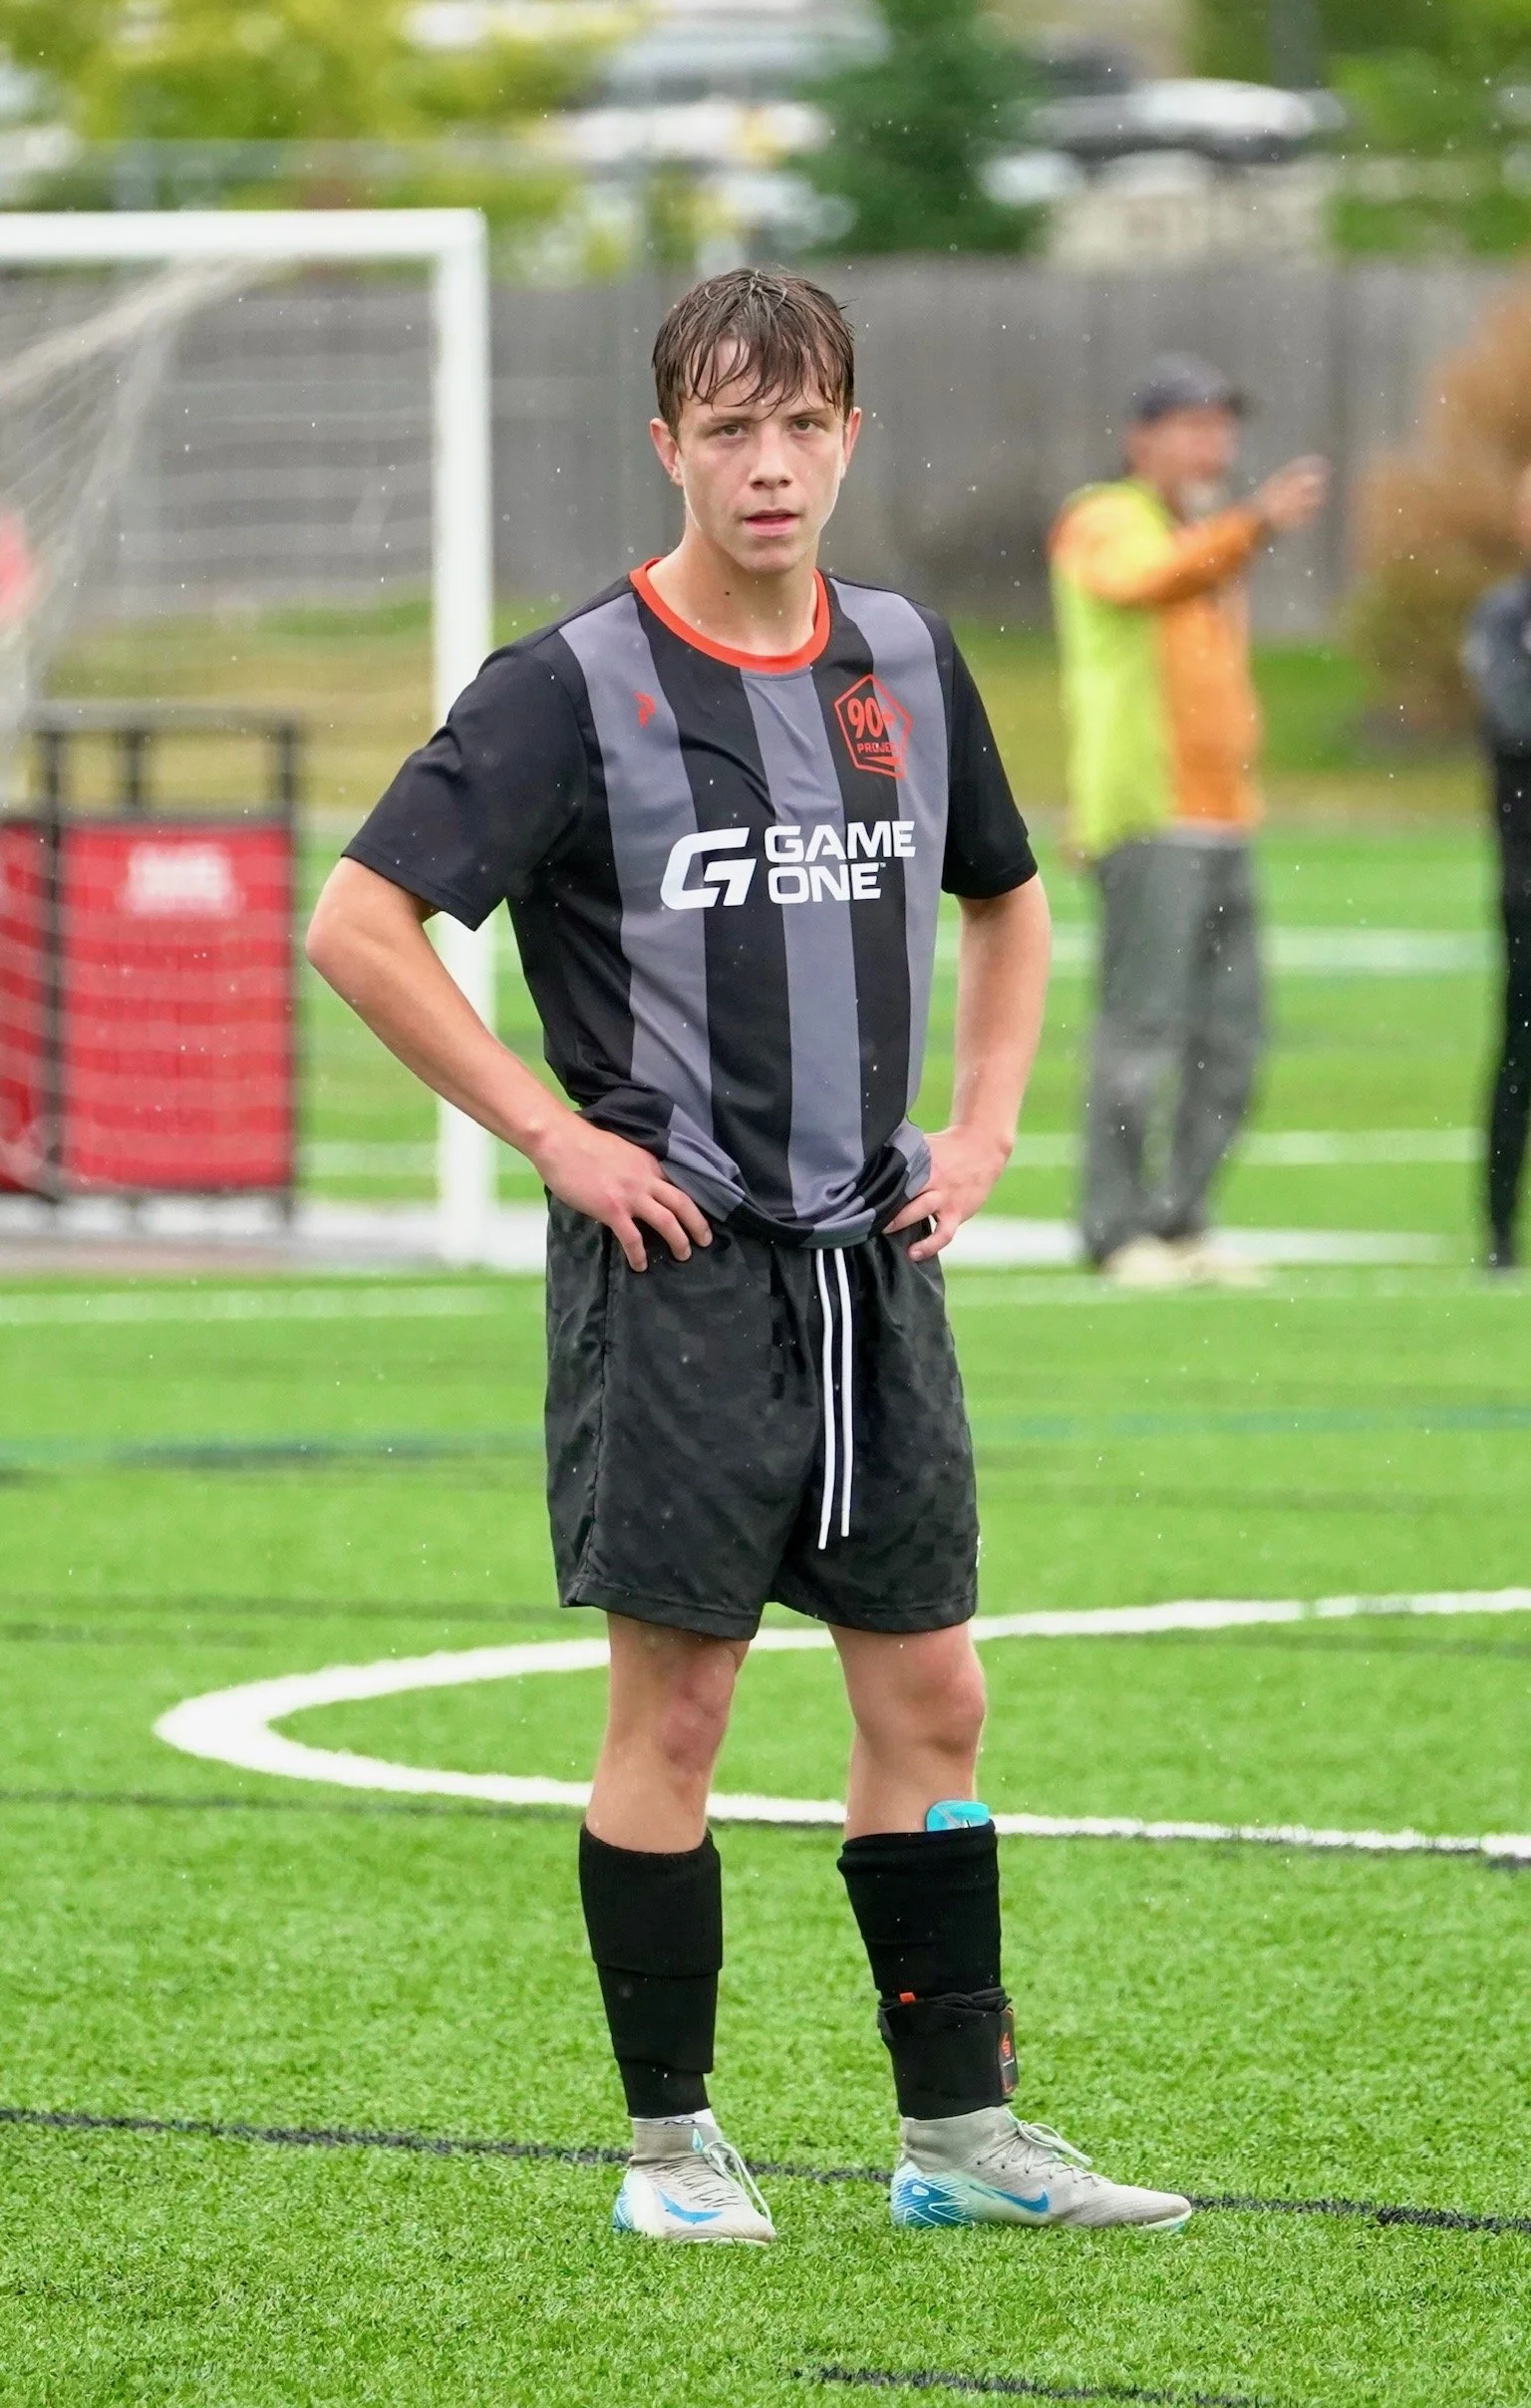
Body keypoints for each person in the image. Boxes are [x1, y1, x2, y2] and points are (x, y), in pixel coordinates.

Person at [307, 268, 1192, 2246]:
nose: (769, 464)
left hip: (873, 1269)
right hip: (676, 1268)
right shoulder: (570, 685)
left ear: (850, 436)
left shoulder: (904, 654)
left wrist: (979, 1130)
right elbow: (360, 925)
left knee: (937, 1698)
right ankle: (672, 2144)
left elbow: (1013, 899)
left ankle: (957, 2138)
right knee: (680, 1709)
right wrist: (551, 1131)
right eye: (729, 429)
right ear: (670, 449)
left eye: (802, 426)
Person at [1050, 355, 1329, 1287]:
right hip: (1149, 813)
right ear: (1145, 439)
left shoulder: (1208, 535)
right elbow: (1145, 583)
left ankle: (1181, 1217)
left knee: (1233, 1032)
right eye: (1195, 425)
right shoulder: (1104, 518)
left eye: (1222, 425)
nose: (1215, 443)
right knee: (1142, 1028)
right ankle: (1113, 1224)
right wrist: (1254, 524)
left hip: (1224, 817)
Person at [1462, 461, 1531, 1273]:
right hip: (1527, 879)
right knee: (1520, 1049)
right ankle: (1499, 1230)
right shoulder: (1503, 617)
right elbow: (1514, 724)